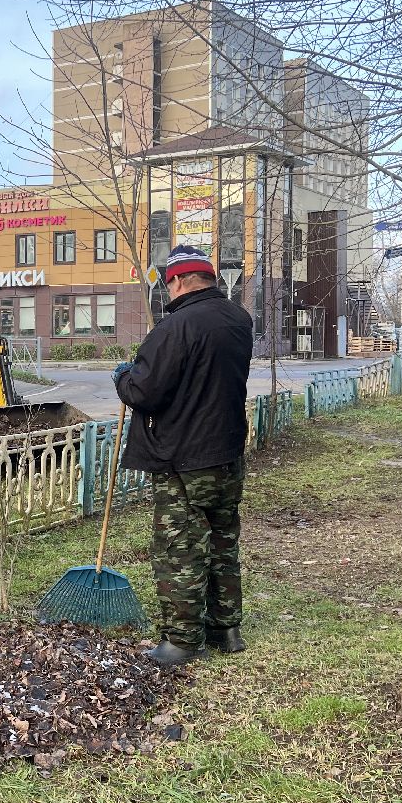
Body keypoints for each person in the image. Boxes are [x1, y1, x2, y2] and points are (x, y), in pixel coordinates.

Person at [113, 245, 254, 667]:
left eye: (169, 284)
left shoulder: (175, 329)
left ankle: (181, 640)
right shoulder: (239, 320)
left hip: (183, 460)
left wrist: (123, 376)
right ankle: (226, 631)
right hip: (227, 454)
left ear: (176, 281)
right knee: (223, 541)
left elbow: (144, 392)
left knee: (180, 549)